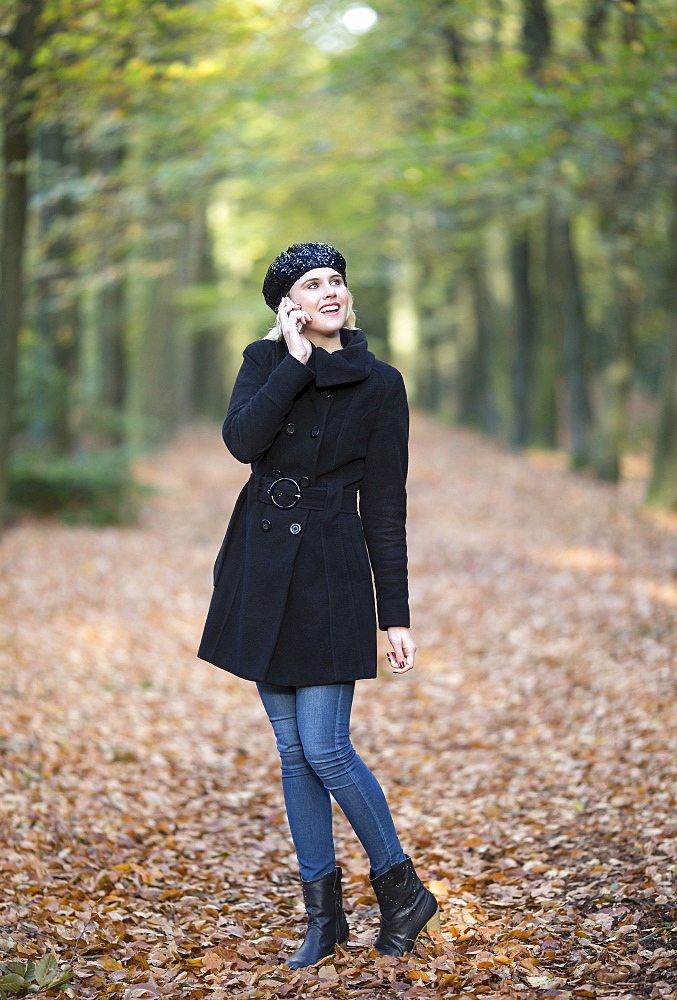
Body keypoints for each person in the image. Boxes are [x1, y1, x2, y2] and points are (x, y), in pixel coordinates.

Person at [198, 243, 439, 969]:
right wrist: (293, 361)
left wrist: (393, 614)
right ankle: (323, 917)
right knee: (292, 753)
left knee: (326, 746)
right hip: (262, 570)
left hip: (332, 573)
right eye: (312, 284)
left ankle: (402, 891)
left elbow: (387, 507)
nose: (329, 290)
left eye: (336, 280)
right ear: (288, 305)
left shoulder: (381, 384)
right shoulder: (263, 363)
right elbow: (242, 443)